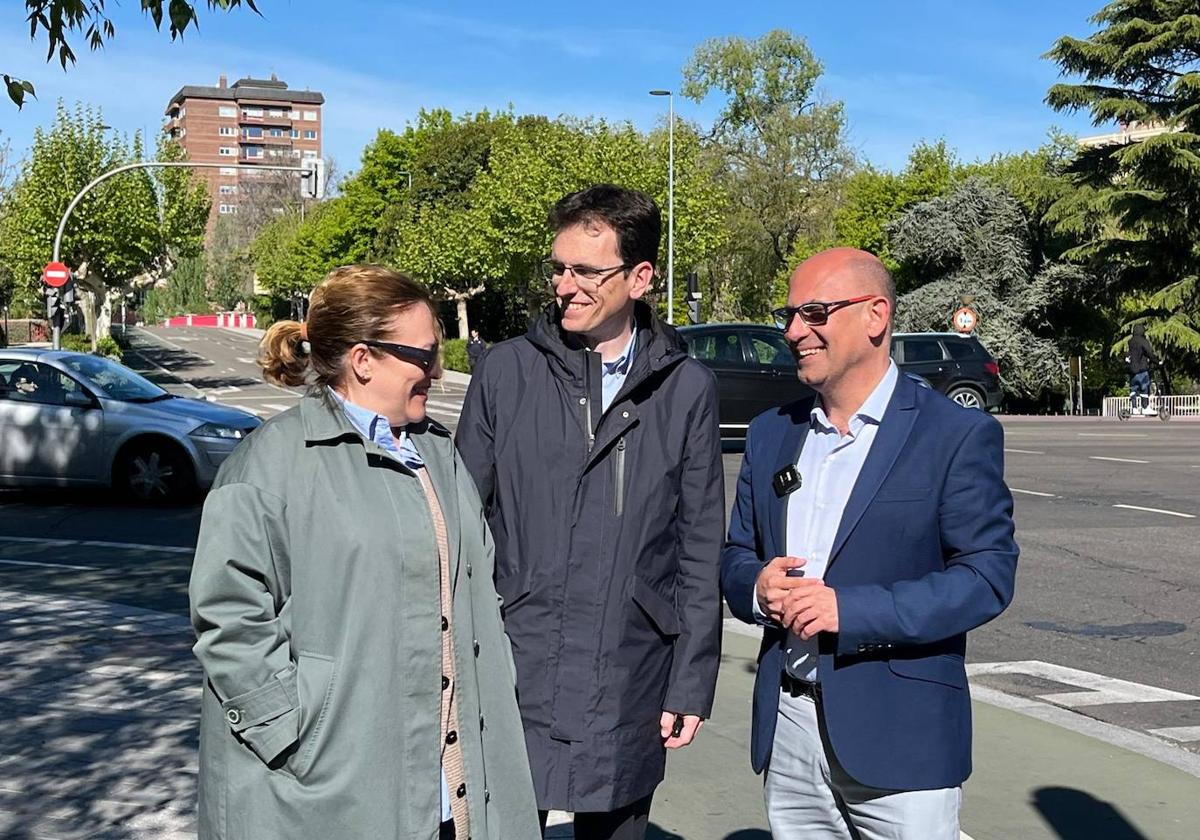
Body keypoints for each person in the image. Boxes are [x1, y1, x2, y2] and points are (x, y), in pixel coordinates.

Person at [189, 265, 539, 840]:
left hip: (452, 789)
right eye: (423, 355)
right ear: (363, 359)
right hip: (330, 793)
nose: (437, 369)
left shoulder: (437, 453)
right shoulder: (268, 465)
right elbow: (228, 617)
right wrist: (294, 734)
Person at [456, 185, 725, 840]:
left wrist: (690, 678)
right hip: (514, 663)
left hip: (628, 672)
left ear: (640, 277)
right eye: (557, 267)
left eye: (585, 271)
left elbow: (698, 546)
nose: (565, 286)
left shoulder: (686, 389)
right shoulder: (507, 373)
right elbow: (462, 525)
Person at [721, 248, 1018, 840]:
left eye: (814, 312)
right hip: (789, 725)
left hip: (901, 739)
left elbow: (986, 577)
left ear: (875, 315)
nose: (793, 331)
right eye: (789, 314)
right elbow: (734, 556)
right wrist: (757, 587)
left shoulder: (956, 434)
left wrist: (848, 611)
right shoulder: (771, 432)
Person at [1127, 323, 1158, 414]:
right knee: (1144, 388)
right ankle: (1145, 407)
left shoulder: (1130, 341)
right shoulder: (1143, 341)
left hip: (1132, 370)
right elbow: (1149, 353)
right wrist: (1157, 361)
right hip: (1142, 369)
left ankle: (1134, 408)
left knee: (1133, 389)